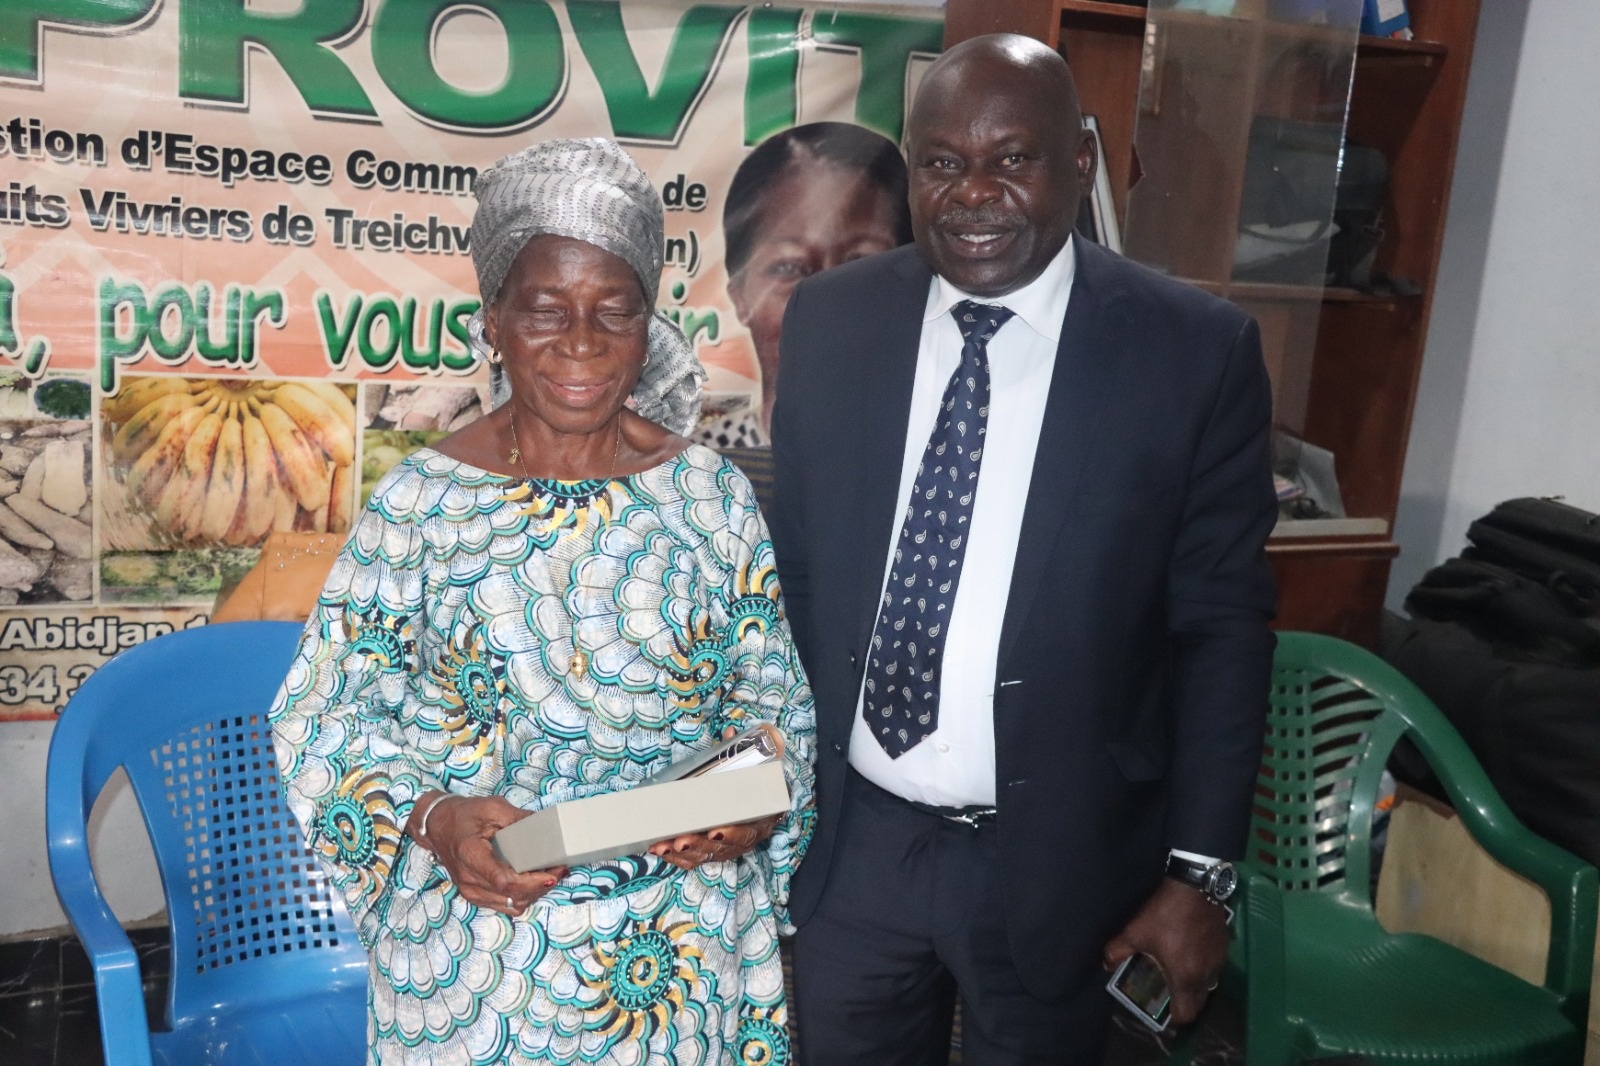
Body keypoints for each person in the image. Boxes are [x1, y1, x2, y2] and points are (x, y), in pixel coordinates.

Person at [769, 34, 1277, 1065]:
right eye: (942, 162)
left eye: (1012, 158)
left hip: (1064, 859)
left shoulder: (1192, 352)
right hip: (856, 843)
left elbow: (1221, 633)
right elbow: (801, 570)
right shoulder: (831, 321)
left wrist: (1200, 874)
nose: (973, 193)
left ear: (1079, 162)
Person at [270, 138, 817, 1066]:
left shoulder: (709, 495)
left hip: (682, 959)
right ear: (494, 320)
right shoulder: (421, 504)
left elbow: (774, 705)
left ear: (649, 322)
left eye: (615, 310)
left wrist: (754, 798)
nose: (582, 342)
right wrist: (434, 819)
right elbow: (322, 716)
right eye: (545, 310)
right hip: (485, 959)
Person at [701, 122, 913, 475]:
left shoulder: (940, 465)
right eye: (790, 267)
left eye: (861, 263)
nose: (826, 300)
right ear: (739, 296)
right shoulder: (691, 472)